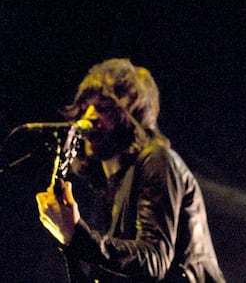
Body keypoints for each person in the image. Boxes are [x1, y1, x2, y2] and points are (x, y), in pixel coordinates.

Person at [35, 58, 226, 282]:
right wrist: (69, 241)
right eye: (87, 107)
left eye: (104, 108)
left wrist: (78, 237)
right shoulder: (108, 188)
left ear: (131, 115)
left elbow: (155, 259)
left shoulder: (156, 159)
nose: (90, 116)